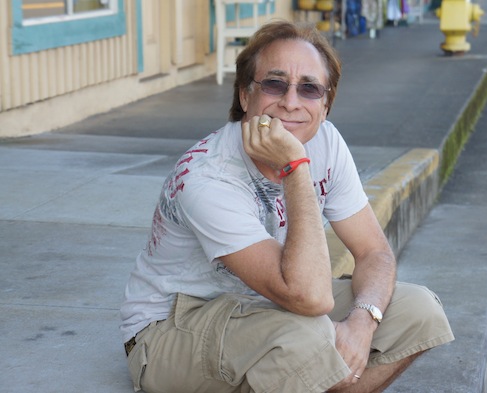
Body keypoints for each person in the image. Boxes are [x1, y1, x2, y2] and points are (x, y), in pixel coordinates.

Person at [120, 20, 454, 393]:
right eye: (275, 84)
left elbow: (374, 252)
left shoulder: (327, 140)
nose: (291, 102)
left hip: (264, 306)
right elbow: (309, 297)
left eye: (309, 88)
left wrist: (363, 322)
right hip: (170, 329)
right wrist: (296, 167)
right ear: (246, 96)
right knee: (310, 335)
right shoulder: (207, 176)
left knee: (418, 310)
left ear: (325, 105)